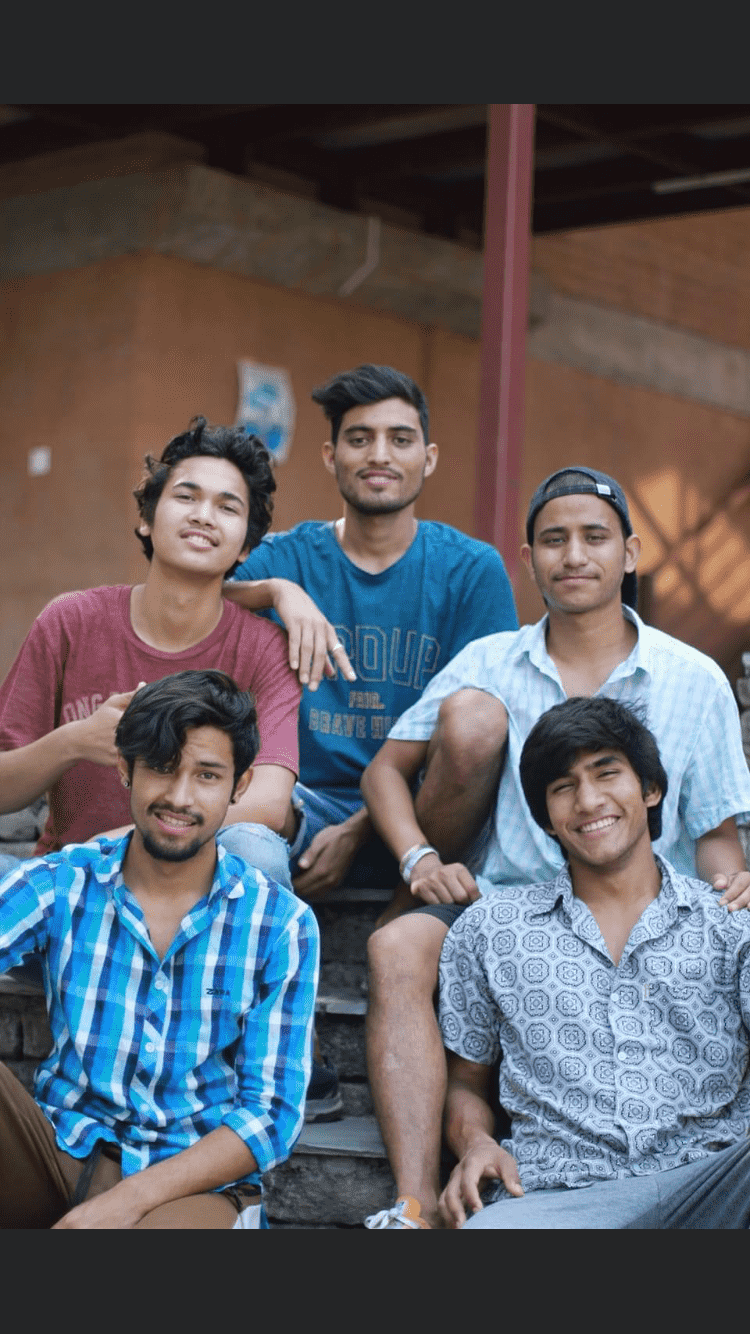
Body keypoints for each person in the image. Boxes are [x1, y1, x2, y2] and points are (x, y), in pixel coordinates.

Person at [361, 465, 750, 1227]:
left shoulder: (691, 678)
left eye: (594, 538)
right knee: (394, 948)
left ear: (631, 553)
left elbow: (716, 836)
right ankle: (410, 1203)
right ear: (530, 557)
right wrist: (419, 861)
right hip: (503, 907)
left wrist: (733, 894)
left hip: (650, 913)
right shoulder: (489, 661)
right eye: (553, 540)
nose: (574, 555)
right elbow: (385, 772)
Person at [0, 670, 318, 1229]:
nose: (179, 797)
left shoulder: (279, 923)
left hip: (189, 1185)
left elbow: (270, 1116)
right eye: (162, 769)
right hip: (62, 1153)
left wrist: (128, 1200)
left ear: (239, 785)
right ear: (126, 769)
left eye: (207, 775)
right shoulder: (64, 881)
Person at [438, 696, 750, 1229]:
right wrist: (477, 1143)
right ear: (547, 819)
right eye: (564, 787)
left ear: (650, 790)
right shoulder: (491, 930)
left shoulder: (728, 921)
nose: (588, 800)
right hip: (559, 1193)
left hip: (713, 1182)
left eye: (607, 774)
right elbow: (466, 1081)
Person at [225, 363, 518, 906]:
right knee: (242, 833)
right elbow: (193, 605)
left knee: (480, 715)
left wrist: (362, 829)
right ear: (331, 456)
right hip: (301, 809)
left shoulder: (472, 569)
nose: (380, 454)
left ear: (427, 459)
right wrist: (276, 593)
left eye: (400, 439)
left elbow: (486, 734)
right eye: (360, 439)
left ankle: (405, 911)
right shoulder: (285, 560)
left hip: (432, 817)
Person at [0, 415, 311, 892]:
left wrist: (114, 844)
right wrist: (77, 740)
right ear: (146, 519)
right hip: (72, 884)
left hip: (193, 881)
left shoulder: (264, 648)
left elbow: (268, 802)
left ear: (247, 545)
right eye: (186, 497)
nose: (203, 515)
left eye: (227, 507)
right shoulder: (71, 620)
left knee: (256, 849)